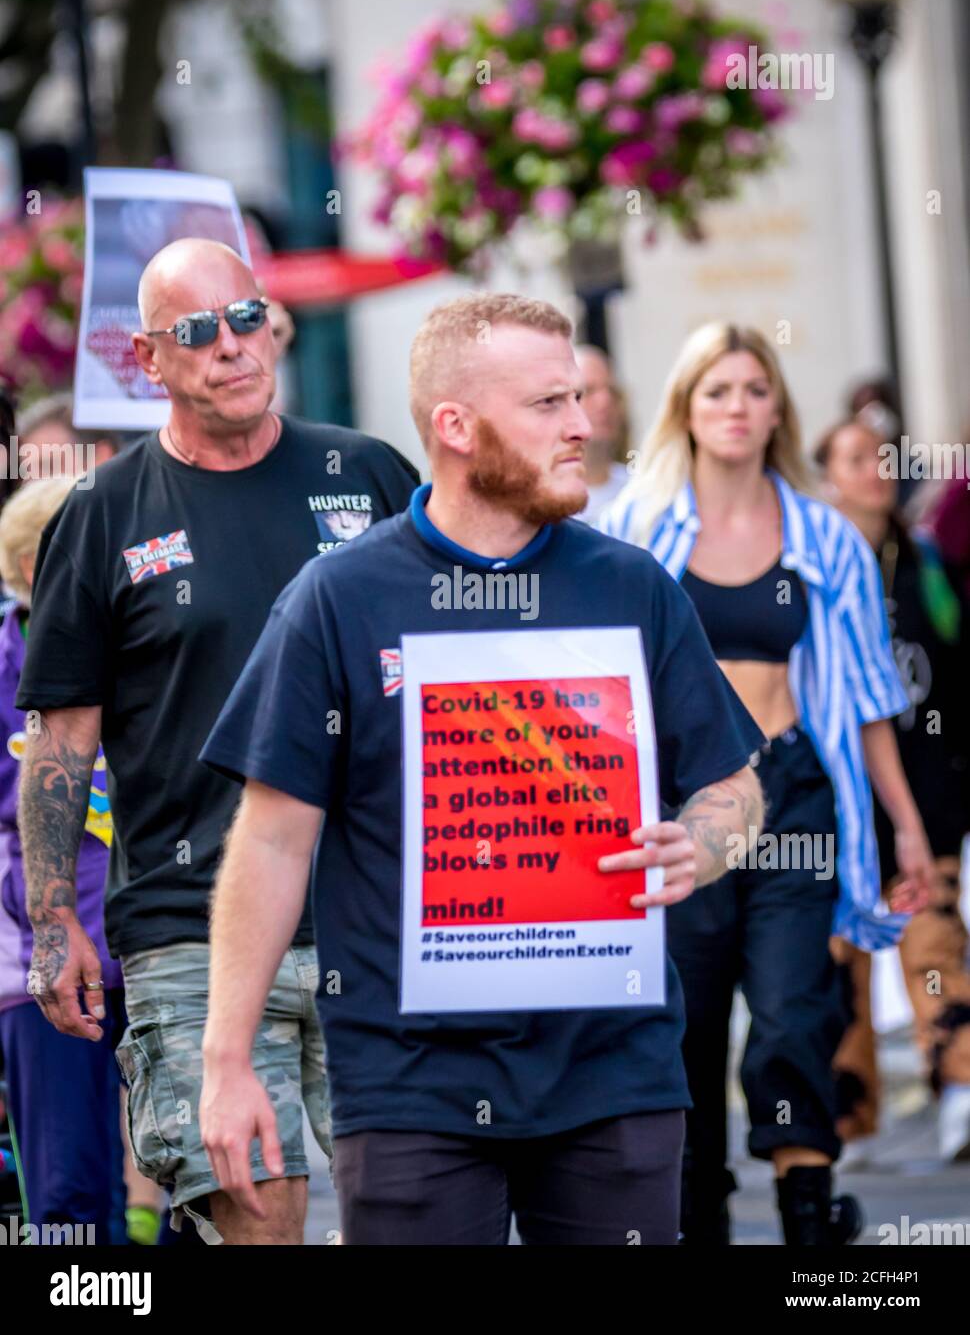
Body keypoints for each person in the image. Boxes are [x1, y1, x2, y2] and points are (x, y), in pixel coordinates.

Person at [196, 292, 765, 1247]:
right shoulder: (337, 599)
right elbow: (272, 838)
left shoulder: (631, 586)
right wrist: (227, 1062)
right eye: (548, 404)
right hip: (410, 1086)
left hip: (614, 1073)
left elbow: (733, 784)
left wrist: (702, 846)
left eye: (579, 398)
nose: (583, 424)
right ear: (455, 427)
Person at [15, 237, 419, 1246]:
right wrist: (57, 919)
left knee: (414, 1208)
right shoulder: (103, 514)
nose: (230, 346)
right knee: (253, 1218)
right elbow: (62, 741)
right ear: (148, 359)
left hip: (374, 913)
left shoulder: (365, 475)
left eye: (245, 318)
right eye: (195, 331)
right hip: (189, 927)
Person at [601, 323, 933, 1245]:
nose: (737, 408)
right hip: (684, 806)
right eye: (717, 391)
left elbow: (868, 697)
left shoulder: (823, 535)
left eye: (754, 389)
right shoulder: (635, 526)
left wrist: (904, 825)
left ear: (776, 406)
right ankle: (694, 1212)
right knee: (689, 1020)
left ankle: (810, 1219)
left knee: (794, 1011)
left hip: (795, 792)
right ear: (687, 409)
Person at [816, 417, 970, 1161]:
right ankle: (849, 1119)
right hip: (841, 798)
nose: (874, 470)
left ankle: (962, 1091)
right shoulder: (808, 567)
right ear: (827, 474)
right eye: (855, 459)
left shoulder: (924, 560)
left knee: (936, 942)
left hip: (930, 790)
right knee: (840, 961)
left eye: (882, 458)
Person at [0, 476, 127, 1244]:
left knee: (203, 1183)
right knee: (70, 1198)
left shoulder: (146, 644)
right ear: (27, 566)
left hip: (164, 952)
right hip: (41, 966)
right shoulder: (6, 658)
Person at [572, 344, 630, 524]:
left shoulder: (642, 490)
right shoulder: (542, 501)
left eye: (612, 391)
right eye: (588, 390)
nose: (605, 401)